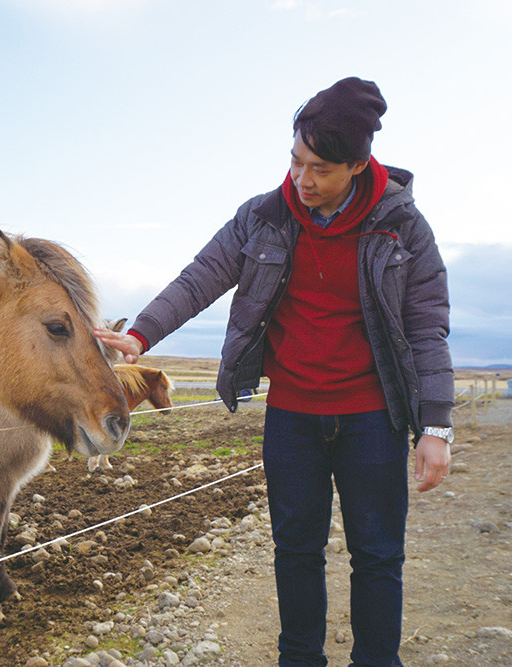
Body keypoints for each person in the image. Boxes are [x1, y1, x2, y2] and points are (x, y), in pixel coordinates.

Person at [95, 77, 453, 667]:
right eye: (295, 160)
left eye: (321, 169)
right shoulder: (263, 217)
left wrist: (435, 427)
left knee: (379, 556)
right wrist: (140, 335)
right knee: (295, 552)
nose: (302, 180)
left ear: (359, 166)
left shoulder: (404, 227)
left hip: (372, 418)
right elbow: (201, 276)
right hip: (292, 417)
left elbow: (426, 329)